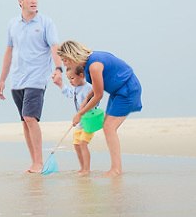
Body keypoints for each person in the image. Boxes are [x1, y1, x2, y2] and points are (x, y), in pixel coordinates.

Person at [0, 0, 64, 173]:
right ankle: (34, 161)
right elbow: (9, 52)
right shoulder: (13, 24)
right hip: (17, 80)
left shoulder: (46, 23)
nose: (33, 1)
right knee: (25, 121)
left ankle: (39, 162)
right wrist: (2, 79)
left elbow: (54, 47)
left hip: (37, 78)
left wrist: (59, 69)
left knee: (30, 117)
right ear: (20, 1)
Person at [57, 40, 143, 177]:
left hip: (128, 90)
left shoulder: (94, 66)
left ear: (72, 56)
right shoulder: (87, 64)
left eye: (65, 60)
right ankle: (118, 168)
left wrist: (80, 113)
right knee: (108, 127)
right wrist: (86, 98)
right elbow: (97, 88)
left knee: (109, 127)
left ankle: (115, 169)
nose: (64, 64)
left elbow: (98, 96)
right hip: (117, 91)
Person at [53, 65, 95, 175]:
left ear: (81, 75)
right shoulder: (76, 89)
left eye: (72, 78)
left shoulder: (89, 88)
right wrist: (60, 84)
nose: (70, 81)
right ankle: (82, 167)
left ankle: (87, 169)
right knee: (76, 145)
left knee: (83, 143)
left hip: (89, 122)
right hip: (79, 123)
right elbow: (69, 93)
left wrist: (82, 113)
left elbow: (94, 101)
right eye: (68, 79)